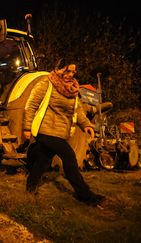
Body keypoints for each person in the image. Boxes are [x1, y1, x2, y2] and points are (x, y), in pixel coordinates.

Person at [23, 58, 105, 206]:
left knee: (43, 160)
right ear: (59, 68)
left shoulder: (72, 89)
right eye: (68, 71)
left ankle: (30, 188)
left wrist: (86, 125)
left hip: (61, 132)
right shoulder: (46, 84)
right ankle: (85, 195)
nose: (71, 74)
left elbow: (78, 110)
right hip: (45, 130)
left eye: (73, 71)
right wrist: (27, 128)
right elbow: (31, 105)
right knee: (69, 157)